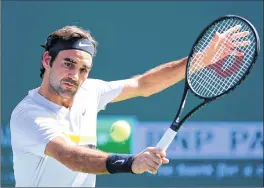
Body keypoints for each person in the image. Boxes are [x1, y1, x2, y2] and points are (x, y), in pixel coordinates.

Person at [10, 25, 249, 187]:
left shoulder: (89, 91)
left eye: (83, 69)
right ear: (47, 60)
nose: (75, 75)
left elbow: (142, 84)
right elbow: (69, 156)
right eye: (68, 64)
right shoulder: (29, 114)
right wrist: (131, 162)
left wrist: (198, 61)